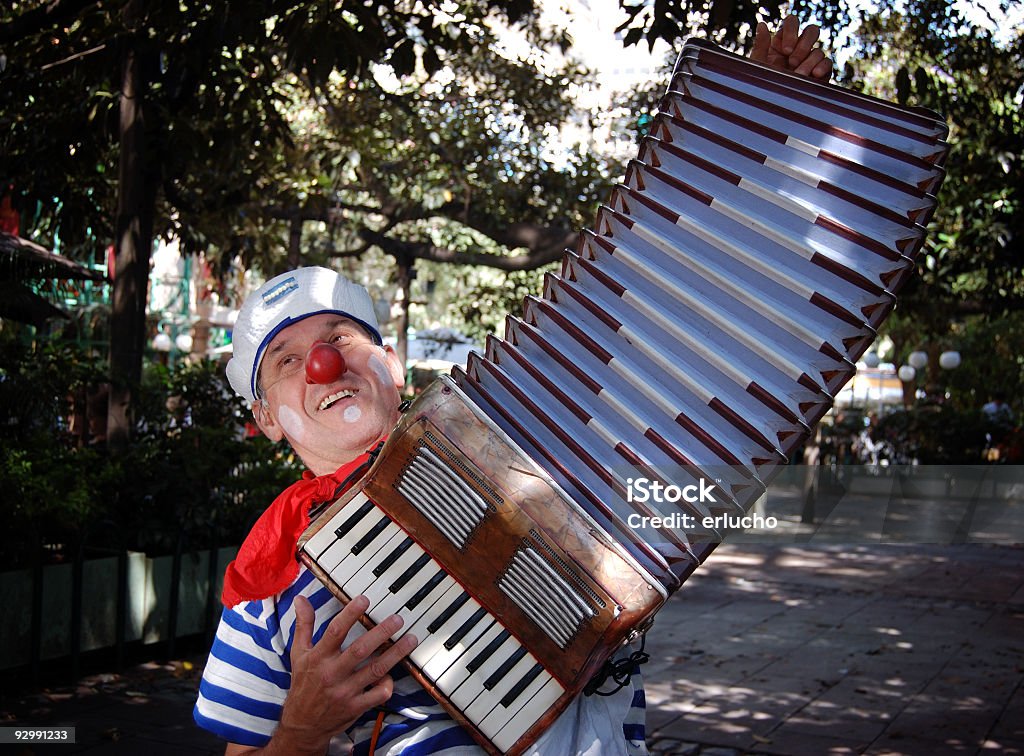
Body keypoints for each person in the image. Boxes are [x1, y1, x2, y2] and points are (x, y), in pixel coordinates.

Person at [194, 18, 833, 755]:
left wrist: (763, 121)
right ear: (266, 417)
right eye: (287, 361)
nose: (322, 366)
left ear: (392, 363)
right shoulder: (266, 576)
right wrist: (302, 729)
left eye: (340, 340)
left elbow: (664, 306)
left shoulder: (526, 433)